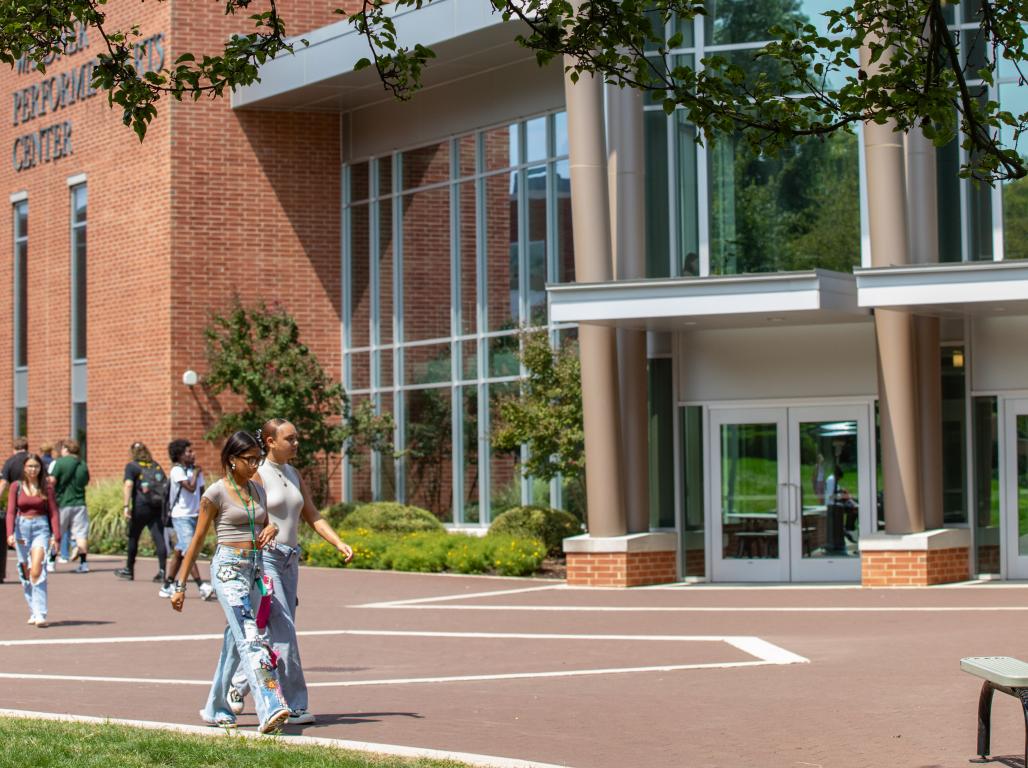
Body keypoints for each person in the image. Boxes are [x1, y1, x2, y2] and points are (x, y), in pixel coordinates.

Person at [225, 418, 354, 725]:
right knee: (284, 632)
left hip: (289, 560)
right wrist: (259, 530)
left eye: (297, 438)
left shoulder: (294, 474)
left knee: (275, 630)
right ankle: (294, 704)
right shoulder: (257, 473)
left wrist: (338, 542)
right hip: (265, 559)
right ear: (270, 442)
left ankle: (239, 683)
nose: (297, 443)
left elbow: (312, 514)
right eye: (290, 439)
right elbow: (243, 511)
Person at [169, 430, 290, 734]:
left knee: (235, 643)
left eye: (258, 459)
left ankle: (215, 707)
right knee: (251, 637)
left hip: (255, 570)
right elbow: (196, 540)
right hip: (228, 570)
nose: (255, 465)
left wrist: (272, 529)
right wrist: (180, 585)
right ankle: (272, 706)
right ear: (232, 459)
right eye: (249, 459)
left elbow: (265, 524)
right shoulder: (215, 493)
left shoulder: (258, 491)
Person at [6, 454, 60, 626]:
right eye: (30, 466)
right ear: (24, 468)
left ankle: (41, 614)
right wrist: (10, 533)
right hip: (21, 533)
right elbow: (11, 511)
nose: (33, 469)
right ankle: (33, 610)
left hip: (40, 530)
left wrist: (56, 536)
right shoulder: (17, 486)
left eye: (36, 466)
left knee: (37, 569)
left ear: (40, 468)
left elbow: (53, 512)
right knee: (25, 570)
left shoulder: (47, 487)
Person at [159, 439, 214, 600]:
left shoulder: (196, 471)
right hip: (180, 516)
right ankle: (201, 586)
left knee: (180, 550)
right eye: (188, 452)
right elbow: (190, 488)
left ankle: (167, 585)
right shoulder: (177, 471)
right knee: (189, 550)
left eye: (192, 451)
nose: (193, 454)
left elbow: (202, 492)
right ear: (179, 455)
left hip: (194, 515)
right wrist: (196, 474)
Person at [114, 442, 169, 582]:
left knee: (133, 536)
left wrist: (126, 506)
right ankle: (162, 571)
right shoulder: (155, 465)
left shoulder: (132, 466)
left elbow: (128, 484)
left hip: (141, 506)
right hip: (157, 505)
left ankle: (129, 569)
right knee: (159, 538)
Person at [49, 439, 91, 573]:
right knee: (81, 535)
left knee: (57, 534)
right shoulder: (83, 464)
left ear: (66, 449)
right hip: (80, 503)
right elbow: (86, 481)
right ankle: (83, 564)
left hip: (63, 503)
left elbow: (52, 481)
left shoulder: (60, 462)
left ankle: (51, 562)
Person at [0, 436, 30, 585]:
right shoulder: (32, 461)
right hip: (33, 503)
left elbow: (3, 483)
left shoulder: (10, 462)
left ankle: (23, 562)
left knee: (19, 535)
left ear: (14, 448)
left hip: (17, 504)